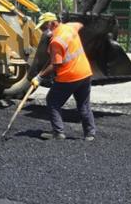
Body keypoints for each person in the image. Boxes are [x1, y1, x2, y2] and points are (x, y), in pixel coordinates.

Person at [32, 12, 97, 141]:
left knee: (52, 101)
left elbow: (55, 65)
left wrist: (39, 77)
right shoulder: (70, 27)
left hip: (69, 77)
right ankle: (90, 134)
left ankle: (58, 133)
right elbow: (80, 24)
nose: (43, 31)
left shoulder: (56, 41)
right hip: (85, 73)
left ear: (52, 23)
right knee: (84, 104)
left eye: (44, 27)